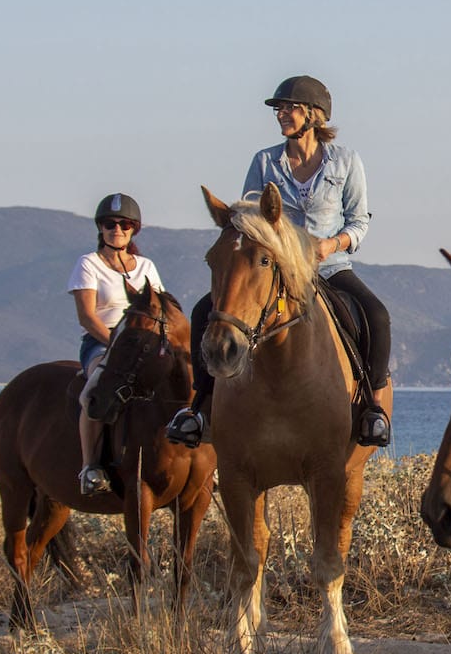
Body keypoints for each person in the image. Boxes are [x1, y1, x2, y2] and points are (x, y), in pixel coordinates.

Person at [167, 74, 392, 448]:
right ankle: (200, 409)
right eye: (280, 109)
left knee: (377, 315)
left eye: (290, 108)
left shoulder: (346, 161)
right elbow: (248, 220)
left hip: (329, 268)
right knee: (204, 312)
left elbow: (359, 220)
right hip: (274, 271)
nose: (282, 114)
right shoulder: (264, 161)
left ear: (314, 115)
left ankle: (372, 408)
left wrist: (331, 244)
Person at [70, 192, 167, 494]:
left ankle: (200, 457)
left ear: (133, 229)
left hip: (145, 343)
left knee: (182, 381)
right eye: (110, 224)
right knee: (94, 390)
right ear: (100, 228)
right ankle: (90, 467)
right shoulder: (88, 264)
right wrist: (115, 344)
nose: (117, 230)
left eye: (125, 224)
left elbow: (160, 309)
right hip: (103, 341)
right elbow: (87, 316)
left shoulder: (146, 267)